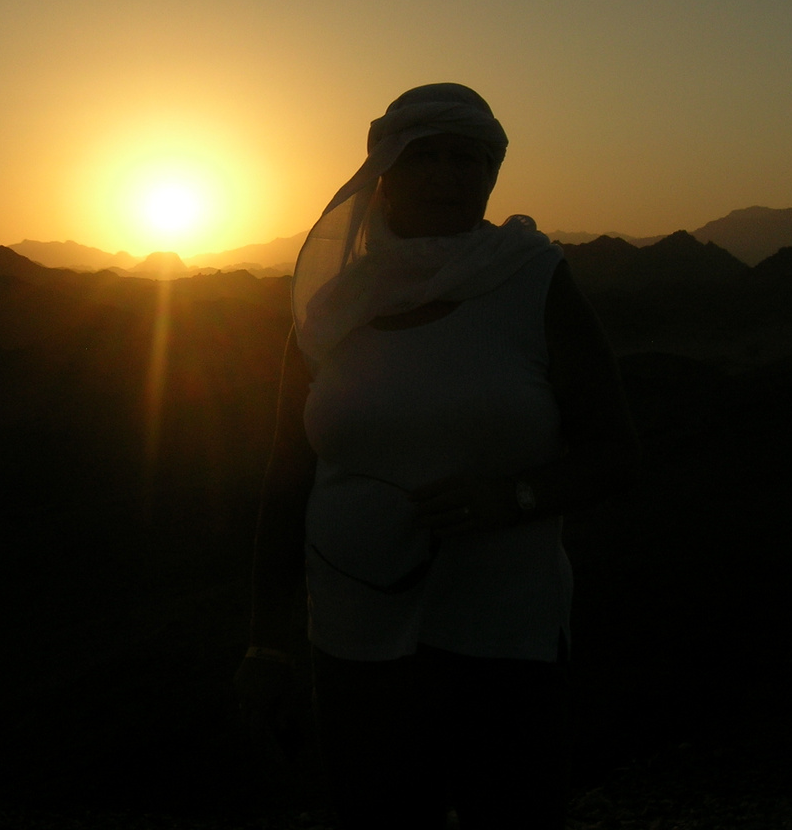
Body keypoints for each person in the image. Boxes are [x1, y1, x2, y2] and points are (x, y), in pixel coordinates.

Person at [234, 83, 638, 829]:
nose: (451, 176)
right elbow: (289, 472)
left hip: (505, 633)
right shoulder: (330, 308)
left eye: (471, 160)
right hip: (355, 638)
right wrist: (267, 640)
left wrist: (509, 499)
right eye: (427, 157)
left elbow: (613, 452)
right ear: (382, 173)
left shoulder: (533, 280)